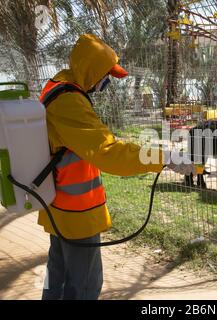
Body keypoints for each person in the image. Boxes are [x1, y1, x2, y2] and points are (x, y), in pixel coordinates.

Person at [39, 34, 194, 300]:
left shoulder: (57, 85)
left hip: (58, 205)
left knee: (58, 277)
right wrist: (164, 157)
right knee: (84, 286)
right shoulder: (69, 101)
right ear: (91, 70)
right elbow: (108, 153)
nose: (106, 82)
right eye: (105, 74)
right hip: (77, 213)